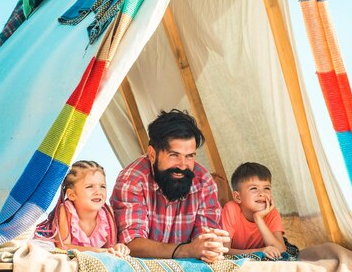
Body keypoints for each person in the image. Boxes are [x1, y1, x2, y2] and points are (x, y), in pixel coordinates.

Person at [110, 109, 229, 262]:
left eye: (189, 156)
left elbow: (206, 240)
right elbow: (131, 243)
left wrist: (211, 248)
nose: (183, 165)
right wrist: (185, 250)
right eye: (174, 155)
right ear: (152, 154)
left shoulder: (204, 181)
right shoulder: (132, 179)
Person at [33, 160, 130, 257]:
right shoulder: (66, 211)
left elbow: (110, 248)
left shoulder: (107, 213)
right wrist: (99, 251)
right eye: (89, 186)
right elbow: (63, 247)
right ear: (72, 195)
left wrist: (119, 248)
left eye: (102, 186)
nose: (98, 192)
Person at [221, 162, 286, 259]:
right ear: (238, 197)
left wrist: (258, 219)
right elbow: (224, 252)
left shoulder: (272, 213)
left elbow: (281, 250)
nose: (262, 193)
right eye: (254, 188)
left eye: (267, 188)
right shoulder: (231, 209)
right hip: (239, 256)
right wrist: (260, 251)